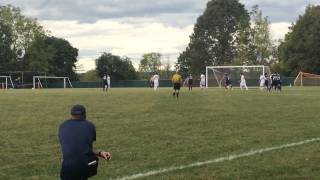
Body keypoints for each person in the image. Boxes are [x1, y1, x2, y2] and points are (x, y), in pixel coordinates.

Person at [59, 105, 111, 180]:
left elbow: (78, 149)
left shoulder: (62, 126)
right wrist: (99, 153)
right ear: (85, 115)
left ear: (71, 115)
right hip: (85, 168)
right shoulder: (90, 126)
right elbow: (85, 150)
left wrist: (100, 153)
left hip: (67, 168)